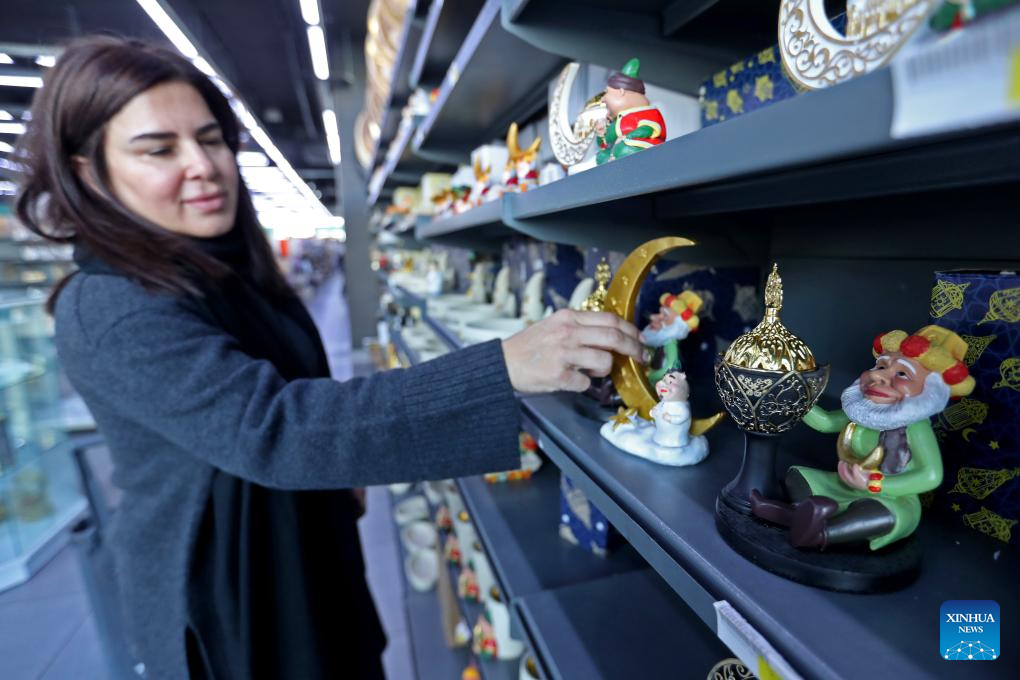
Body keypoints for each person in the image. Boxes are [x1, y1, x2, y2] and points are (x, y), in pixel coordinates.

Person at [15, 37, 643, 680]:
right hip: (238, 601)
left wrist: (341, 474)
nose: (203, 165)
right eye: (159, 150)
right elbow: (273, 427)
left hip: (305, 560)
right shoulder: (106, 303)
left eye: (210, 140)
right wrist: (502, 365)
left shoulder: (225, 270)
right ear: (89, 171)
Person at [751, 325, 975, 550]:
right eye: (880, 366)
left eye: (902, 374)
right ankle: (799, 514)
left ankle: (819, 533)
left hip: (889, 497)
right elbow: (827, 422)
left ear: (928, 391)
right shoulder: (864, 414)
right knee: (798, 476)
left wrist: (874, 484)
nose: (877, 376)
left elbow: (931, 475)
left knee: (880, 515)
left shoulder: (915, 429)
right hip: (845, 485)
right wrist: (795, 397)